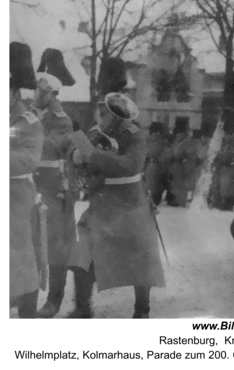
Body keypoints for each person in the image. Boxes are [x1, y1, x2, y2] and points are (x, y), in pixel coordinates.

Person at [67, 92, 166, 318]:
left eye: (116, 115)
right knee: (83, 252)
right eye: (108, 112)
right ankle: (82, 308)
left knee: (141, 256)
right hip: (101, 202)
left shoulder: (136, 135)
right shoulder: (94, 131)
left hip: (130, 203)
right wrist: (76, 157)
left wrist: (94, 156)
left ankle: (142, 310)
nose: (110, 118)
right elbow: (74, 152)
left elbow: (131, 165)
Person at [32, 48, 78, 319]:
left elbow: (47, 147)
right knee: (28, 242)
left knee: (56, 248)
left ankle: (54, 300)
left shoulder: (61, 120)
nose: (33, 94)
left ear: (49, 94)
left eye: (38, 90)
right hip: (33, 186)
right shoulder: (35, 116)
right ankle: (22, 291)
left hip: (54, 188)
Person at [10, 42, 45, 318]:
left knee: (21, 258)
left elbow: (27, 159)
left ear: (13, 90)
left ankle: (26, 318)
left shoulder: (29, 122)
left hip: (16, 197)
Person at [167, 119, 198, 207]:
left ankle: (181, 201)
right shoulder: (177, 143)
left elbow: (182, 154)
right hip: (175, 166)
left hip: (182, 167)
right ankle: (176, 199)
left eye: (179, 133)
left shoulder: (188, 142)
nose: (177, 135)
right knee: (175, 184)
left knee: (181, 185)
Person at [145, 122, 169, 206]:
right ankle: (154, 200)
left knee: (155, 185)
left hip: (157, 164)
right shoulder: (155, 140)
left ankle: (155, 199)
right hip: (154, 164)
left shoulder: (160, 141)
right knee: (153, 185)